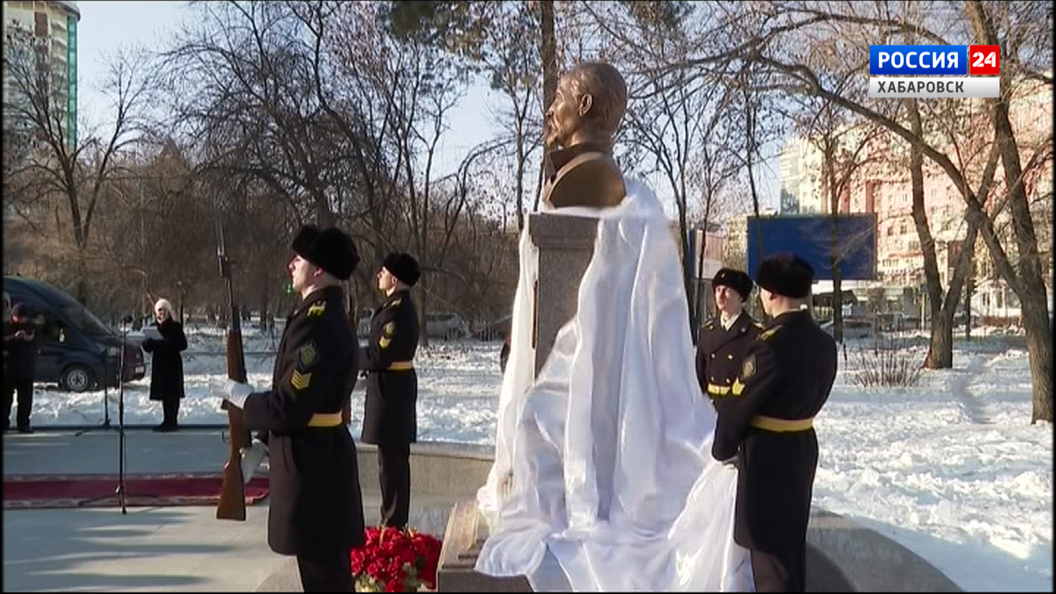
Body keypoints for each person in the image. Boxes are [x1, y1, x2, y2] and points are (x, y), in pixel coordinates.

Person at [476, 62, 752, 591]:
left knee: (552, 413)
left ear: (584, 107)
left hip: (618, 499)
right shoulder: (565, 179)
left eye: (560, 95)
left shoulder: (607, 187)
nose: (550, 107)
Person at [215, 224, 365, 592]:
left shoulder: (318, 324)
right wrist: (262, 442)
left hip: (314, 472)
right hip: (318, 463)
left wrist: (244, 399)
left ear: (318, 269)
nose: (290, 265)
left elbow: (291, 407)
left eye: (299, 258)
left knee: (325, 580)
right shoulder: (318, 315)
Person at [712, 253, 838, 592]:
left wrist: (722, 448)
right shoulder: (824, 344)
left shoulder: (770, 346)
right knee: (789, 549)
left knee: (768, 557)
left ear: (770, 293)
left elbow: (738, 406)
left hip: (768, 458)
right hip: (800, 447)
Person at [359, 252, 421, 530]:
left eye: (383, 272)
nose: (378, 276)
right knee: (390, 461)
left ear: (394, 279)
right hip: (391, 389)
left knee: (392, 463)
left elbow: (380, 355)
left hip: (391, 392)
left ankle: (393, 521)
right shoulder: (395, 307)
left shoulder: (396, 311)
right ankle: (391, 518)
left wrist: (351, 357)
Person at [696, 268, 762, 403]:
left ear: (741, 297)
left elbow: (752, 379)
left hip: (737, 403)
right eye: (718, 290)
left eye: (727, 291)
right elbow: (699, 373)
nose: (720, 296)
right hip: (708, 406)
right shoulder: (707, 331)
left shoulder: (753, 333)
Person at [142, 298, 188, 432]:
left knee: (172, 394)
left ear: (168, 311)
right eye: (159, 310)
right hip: (160, 365)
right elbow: (147, 346)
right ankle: (166, 420)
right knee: (163, 394)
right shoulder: (152, 326)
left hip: (172, 365)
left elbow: (182, 344)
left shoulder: (175, 326)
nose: (161, 313)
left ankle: (172, 421)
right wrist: (148, 344)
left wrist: (162, 343)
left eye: (164, 310)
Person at [3, 303, 40, 433]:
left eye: (23, 318)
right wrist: (14, 338)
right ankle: (3, 423)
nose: (21, 320)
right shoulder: (6, 327)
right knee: (5, 400)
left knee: (25, 400)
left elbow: (40, 342)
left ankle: (23, 423)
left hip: (26, 370)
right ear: (13, 316)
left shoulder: (31, 328)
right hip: (8, 370)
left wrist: (29, 339)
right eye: (18, 317)